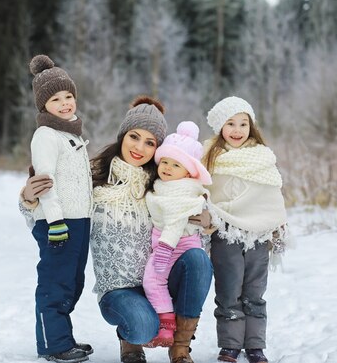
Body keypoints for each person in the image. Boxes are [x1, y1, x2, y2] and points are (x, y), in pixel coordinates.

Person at [21, 96, 213, 363]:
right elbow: (51, 203)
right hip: (118, 289)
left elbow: (192, 206)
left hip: (158, 278)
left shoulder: (162, 183)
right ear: (123, 135)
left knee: (198, 260)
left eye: (150, 142)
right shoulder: (92, 177)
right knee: (142, 327)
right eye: (134, 137)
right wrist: (30, 198)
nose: (139, 147)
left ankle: (180, 347)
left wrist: (205, 217)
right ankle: (129, 339)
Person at [202, 96, 288, 363]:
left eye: (243, 123)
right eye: (231, 124)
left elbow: (272, 193)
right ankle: (230, 345)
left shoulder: (262, 157)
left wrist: (277, 224)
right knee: (228, 291)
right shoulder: (210, 157)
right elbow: (203, 192)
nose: (237, 130)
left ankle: (254, 345)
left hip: (258, 236)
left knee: (254, 291)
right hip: (225, 232)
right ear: (220, 127)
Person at [27, 55, 93, 363]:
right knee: (56, 283)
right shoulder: (46, 135)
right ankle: (54, 345)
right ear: (43, 105)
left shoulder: (72, 133)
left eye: (68, 96)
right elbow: (45, 181)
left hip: (78, 221)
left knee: (73, 282)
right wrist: (54, 220)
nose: (65, 103)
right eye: (56, 99)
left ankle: (62, 337)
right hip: (58, 222)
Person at [142, 121, 212, 348]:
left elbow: (174, 221)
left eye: (176, 164)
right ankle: (167, 325)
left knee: (153, 280)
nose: (168, 168)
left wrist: (164, 248)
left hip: (175, 245)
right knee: (153, 281)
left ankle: (169, 326)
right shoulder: (164, 185)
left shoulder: (182, 189)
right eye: (165, 162)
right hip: (167, 243)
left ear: (189, 171)